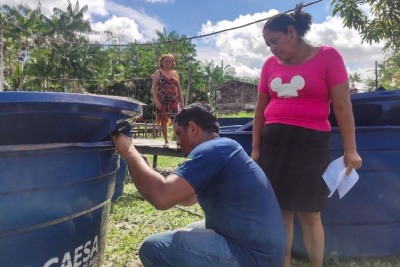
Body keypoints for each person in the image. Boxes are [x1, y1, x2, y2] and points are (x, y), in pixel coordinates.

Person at [251, 4, 362, 267]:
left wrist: (351, 149)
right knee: (281, 211)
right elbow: (260, 109)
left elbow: (343, 105)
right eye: (268, 44)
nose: (272, 48)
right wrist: (256, 149)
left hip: (310, 143)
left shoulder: (328, 56)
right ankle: (284, 263)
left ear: (291, 32)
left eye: (275, 41)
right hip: (274, 143)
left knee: (310, 213)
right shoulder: (269, 65)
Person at [112, 102, 286, 267]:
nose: (177, 141)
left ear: (193, 128)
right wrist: (146, 170)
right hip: (264, 253)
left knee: (154, 248)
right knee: (190, 229)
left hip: (252, 257)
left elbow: (161, 197)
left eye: (179, 133)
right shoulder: (224, 148)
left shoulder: (213, 149)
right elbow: (187, 198)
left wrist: (129, 151)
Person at [151, 53, 185, 148]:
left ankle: (178, 141)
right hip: (162, 100)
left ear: (172, 63)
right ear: (161, 62)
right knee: (163, 120)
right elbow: (153, 88)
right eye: (166, 61)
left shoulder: (175, 73)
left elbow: (179, 88)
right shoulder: (158, 72)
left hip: (174, 100)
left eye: (170, 61)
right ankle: (166, 141)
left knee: (176, 120)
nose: (168, 63)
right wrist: (156, 101)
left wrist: (181, 101)